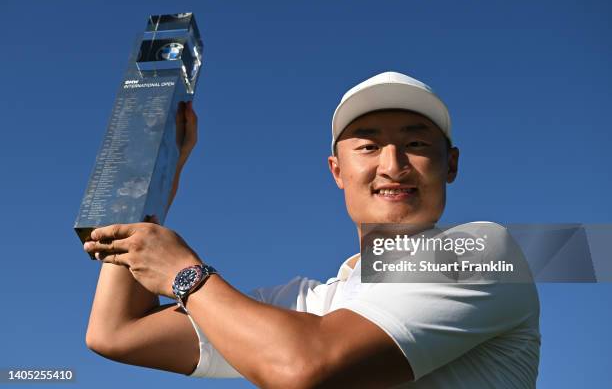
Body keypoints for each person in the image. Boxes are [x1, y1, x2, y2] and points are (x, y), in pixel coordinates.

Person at [84, 71, 541, 388]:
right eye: (368, 145)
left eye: (416, 143)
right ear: (337, 170)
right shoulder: (310, 303)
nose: (393, 164)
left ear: (451, 164)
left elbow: (302, 367)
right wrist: (153, 179)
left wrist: (185, 274)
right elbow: (118, 332)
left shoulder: (481, 250)